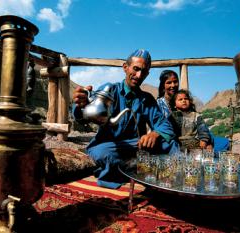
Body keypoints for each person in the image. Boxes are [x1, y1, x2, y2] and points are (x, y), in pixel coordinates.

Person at [72, 49, 179, 189]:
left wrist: (154, 134)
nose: (139, 75)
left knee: (171, 143)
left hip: (136, 146)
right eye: (135, 69)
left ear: (147, 74)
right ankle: (141, 167)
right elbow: (85, 116)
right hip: (111, 146)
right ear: (125, 67)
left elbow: (164, 125)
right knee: (103, 153)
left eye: (143, 72)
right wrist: (81, 105)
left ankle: (171, 174)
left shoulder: (147, 99)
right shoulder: (110, 90)